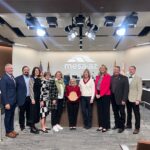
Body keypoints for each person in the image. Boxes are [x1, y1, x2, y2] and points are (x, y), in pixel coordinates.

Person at [0, 64, 18, 138]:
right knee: (7, 117)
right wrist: (6, 103)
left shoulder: (12, 76)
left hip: (13, 101)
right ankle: (7, 132)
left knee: (12, 116)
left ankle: (11, 129)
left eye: (12, 68)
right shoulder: (4, 78)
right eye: (10, 68)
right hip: (8, 102)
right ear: (6, 69)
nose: (11, 69)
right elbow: (3, 92)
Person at [111, 66, 129, 133]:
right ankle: (117, 124)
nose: (115, 71)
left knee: (122, 113)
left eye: (117, 70)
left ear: (119, 70)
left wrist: (124, 99)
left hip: (121, 99)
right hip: (113, 98)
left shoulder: (124, 78)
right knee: (115, 113)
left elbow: (126, 90)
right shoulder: (111, 77)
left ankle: (122, 126)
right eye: (114, 69)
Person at [126, 66, 142, 134]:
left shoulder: (138, 78)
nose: (131, 70)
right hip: (127, 98)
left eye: (132, 69)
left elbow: (140, 90)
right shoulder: (127, 77)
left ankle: (137, 128)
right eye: (130, 69)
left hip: (135, 99)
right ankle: (129, 125)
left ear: (135, 70)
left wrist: (138, 99)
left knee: (136, 114)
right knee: (129, 113)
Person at [95, 65, 111, 132]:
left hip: (105, 96)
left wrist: (100, 94)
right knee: (100, 111)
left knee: (105, 112)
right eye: (101, 68)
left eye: (103, 68)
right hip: (98, 95)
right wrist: (96, 94)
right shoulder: (98, 77)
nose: (102, 69)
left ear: (106, 69)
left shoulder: (108, 76)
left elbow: (107, 87)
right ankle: (101, 126)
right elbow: (95, 86)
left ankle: (106, 126)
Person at [16, 66, 31, 131]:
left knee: (29, 112)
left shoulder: (31, 78)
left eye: (27, 70)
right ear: (22, 71)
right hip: (21, 99)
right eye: (25, 70)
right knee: (22, 113)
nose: (26, 71)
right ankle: (22, 126)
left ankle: (28, 124)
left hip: (29, 98)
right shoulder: (17, 78)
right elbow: (15, 90)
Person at [29, 67, 42, 134]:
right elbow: (30, 89)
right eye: (35, 70)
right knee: (32, 113)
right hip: (33, 98)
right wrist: (32, 98)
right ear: (33, 71)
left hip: (38, 98)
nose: (37, 72)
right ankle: (31, 128)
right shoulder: (31, 79)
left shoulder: (39, 79)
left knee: (36, 112)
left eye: (38, 71)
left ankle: (34, 126)